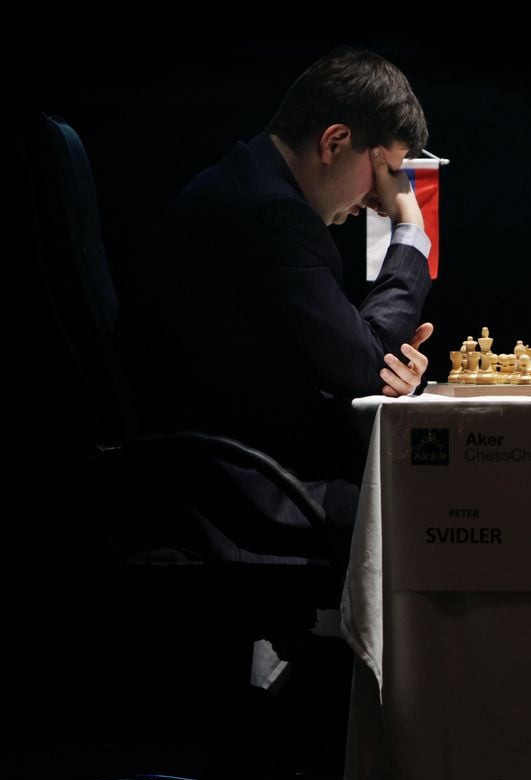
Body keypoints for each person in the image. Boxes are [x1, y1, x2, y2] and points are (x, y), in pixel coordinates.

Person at [117, 47, 436, 564]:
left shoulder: (248, 186)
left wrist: (384, 362)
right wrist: (410, 229)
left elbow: (354, 361)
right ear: (334, 141)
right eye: (384, 175)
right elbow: (365, 365)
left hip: (223, 467)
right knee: (430, 506)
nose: (380, 199)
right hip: (227, 492)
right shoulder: (269, 216)